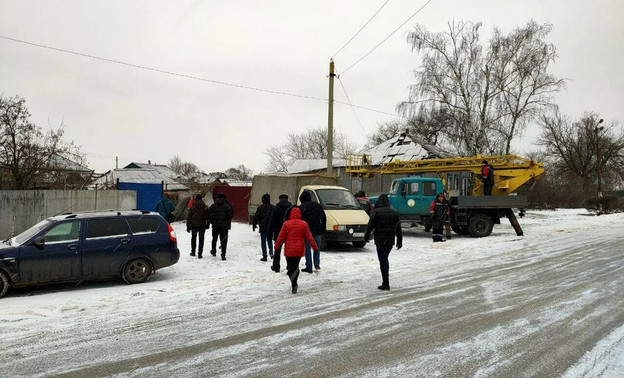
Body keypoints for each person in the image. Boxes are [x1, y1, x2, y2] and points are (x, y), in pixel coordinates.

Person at [274, 207, 319, 294]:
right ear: (300, 214)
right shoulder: (304, 224)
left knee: (289, 267)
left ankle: (293, 282)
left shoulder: (286, 224)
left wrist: (276, 246)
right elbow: (309, 237)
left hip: (289, 250)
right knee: (295, 266)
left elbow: (281, 237)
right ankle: (294, 282)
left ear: (290, 214)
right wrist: (315, 247)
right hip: (299, 250)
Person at [364, 194, 402, 291]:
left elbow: (370, 225)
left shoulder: (376, 212)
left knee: (383, 260)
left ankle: (386, 283)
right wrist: (399, 240)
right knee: (385, 258)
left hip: (380, 239)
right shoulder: (394, 212)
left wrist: (367, 236)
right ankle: (385, 282)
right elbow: (398, 228)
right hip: (390, 239)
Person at [299, 190, 326, 272]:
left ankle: (309, 266)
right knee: (316, 248)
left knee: (307, 249)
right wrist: (322, 228)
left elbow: (300, 220)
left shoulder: (302, 207)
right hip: (317, 230)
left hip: (307, 232)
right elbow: (323, 217)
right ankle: (317, 263)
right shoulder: (317, 205)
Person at [268, 194, 292, 273]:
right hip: (289, 231)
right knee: (288, 250)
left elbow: (272, 222)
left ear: (280, 199)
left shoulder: (276, 208)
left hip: (278, 231)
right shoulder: (291, 208)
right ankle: (290, 267)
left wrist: (270, 233)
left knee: (277, 249)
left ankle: (276, 266)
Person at [208, 193, 234, 260]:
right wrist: (226, 221)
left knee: (214, 239)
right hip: (224, 226)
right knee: (224, 240)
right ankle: (223, 254)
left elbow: (209, 216)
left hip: (215, 225)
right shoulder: (227, 206)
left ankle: (213, 251)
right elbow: (231, 215)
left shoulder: (213, 206)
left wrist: (212, 222)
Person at [252, 193, 274, 262]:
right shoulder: (273, 207)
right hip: (270, 226)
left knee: (263, 241)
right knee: (270, 240)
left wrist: (254, 224)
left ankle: (264, 256)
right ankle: (271, 252)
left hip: (263, 226)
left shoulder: (260, 207)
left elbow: (256, 217)